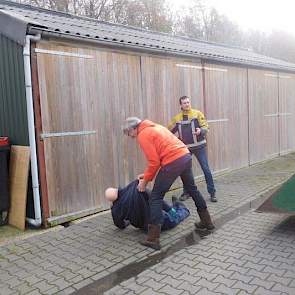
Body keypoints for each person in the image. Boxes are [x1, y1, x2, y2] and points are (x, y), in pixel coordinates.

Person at [122, 117, 215, 250]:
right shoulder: (156, 127)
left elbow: (154, 162)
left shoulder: (143, 135)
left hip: (173, 162)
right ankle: (207, 222)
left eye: (128, 133)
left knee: (155, 197)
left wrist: (144, 182)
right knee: (192, 189)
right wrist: (146, 175)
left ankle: (153, 239)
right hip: (185, 156)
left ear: (132, 128)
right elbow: (161, 155)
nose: (129, 136)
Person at [168, 96, 217, 202]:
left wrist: (201, 131)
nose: (187, 104)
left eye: (188, 102)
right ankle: (187, 193)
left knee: (206, 169)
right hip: (186, 149)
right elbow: (168, 132)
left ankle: (212, 193)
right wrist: (175, 141)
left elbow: (206, 127)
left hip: (200, 146)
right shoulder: (177, 118)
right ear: (180, 105)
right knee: (185, 171)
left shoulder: (197, 114)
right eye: (184, 103)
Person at [105, 180, 190, 231]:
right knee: (177, 216)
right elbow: (154, 198)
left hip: (144, 227)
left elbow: (120, 225)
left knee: (168, 211)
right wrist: (169, 209)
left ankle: (175, 205)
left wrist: (129, 221)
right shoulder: (134, 189)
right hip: (159, 221)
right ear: (117, 190)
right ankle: (181, 207)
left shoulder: (116, 210)